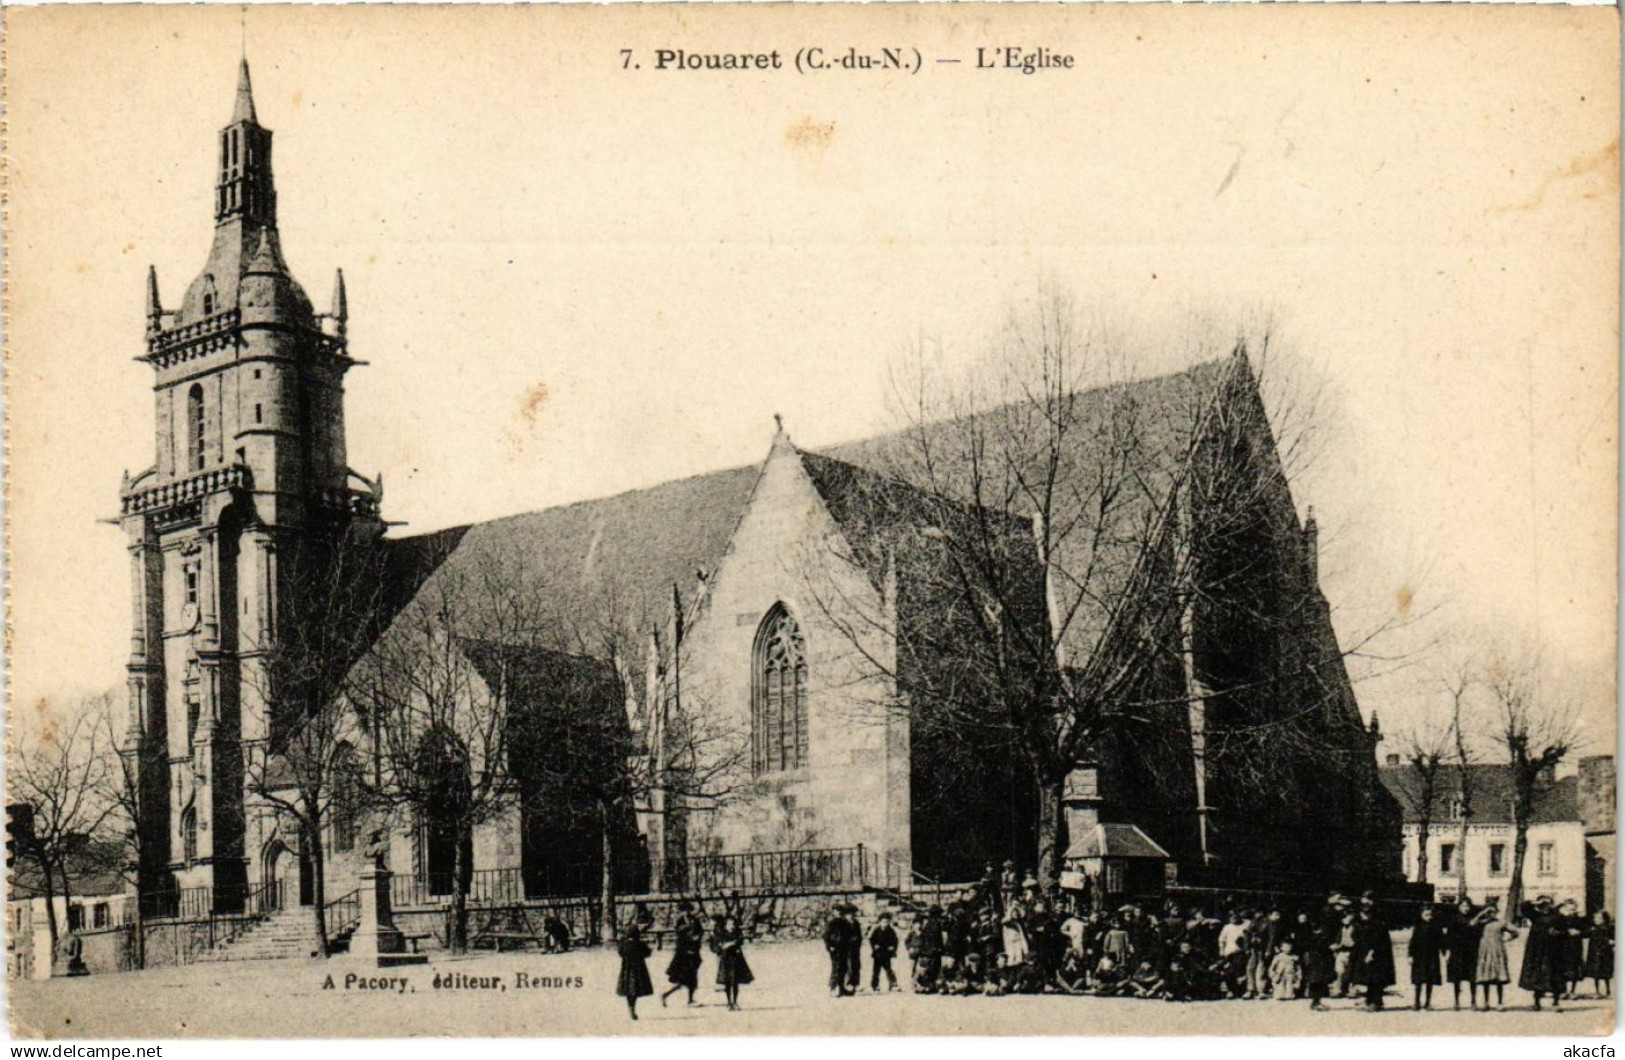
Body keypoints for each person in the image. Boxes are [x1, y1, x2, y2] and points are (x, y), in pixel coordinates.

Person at [1520, 896, 1573, 1011]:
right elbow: (1523, 907)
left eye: (1546, 904)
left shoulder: (1558, 917)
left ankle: (1556, 1002)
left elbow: (1566, 933)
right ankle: (1536, 1003)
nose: (1544, 906)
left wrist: (1557, 933)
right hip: (1538, 952)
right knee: (1537, 977)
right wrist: (1535, 901)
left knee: (1556, 977)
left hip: (1554, 951)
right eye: (1542, 904)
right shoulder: (1535, 916)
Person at [1350, 904, 1395, 1011]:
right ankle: (1371, 1001)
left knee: (1376, 979)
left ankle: (1376, 1002)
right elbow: (1356, 937)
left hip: (1378, 955)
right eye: (1362, 913)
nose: (1363, 916)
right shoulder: (1360, 924)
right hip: (1364, 954)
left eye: (1366, 914)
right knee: (1369, 978)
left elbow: (1378, 940)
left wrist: (1371, 953)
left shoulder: (1377, 924)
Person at [1473, 900, 1516, 1009]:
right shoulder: (1482, 923)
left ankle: (1500, 1002)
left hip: (1497, 951)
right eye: (1489, 912)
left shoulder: (1501, 922)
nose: (1491, 914)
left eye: (1493, 912)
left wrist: (1507, 939)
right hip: (1485, 952)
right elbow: (1472, 923)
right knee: (1486, 978)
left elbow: (1515, 931)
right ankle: (1486, 1002)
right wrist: (1481, 914)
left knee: (1499, 978)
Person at [661, 901, 705, 1008]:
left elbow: (700, 931)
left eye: (689, 910)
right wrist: (688, 941)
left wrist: (698, 938)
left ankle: (690, 1000)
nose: (687, 912)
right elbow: (679, 937)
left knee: (692, 978)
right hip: (683, 955)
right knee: (683, 979)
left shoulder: (695, 920)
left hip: (694, 953)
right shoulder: (680, 921)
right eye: (685, 910)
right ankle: (666, 994)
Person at [1444, 898, 1480, 1010]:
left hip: (1471, 952)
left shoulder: (1474, 919)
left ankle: (1473, 1001)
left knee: (1472, 977)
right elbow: (1449, 936)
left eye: (1468, 906)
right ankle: (1456, 1001)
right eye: (1463, 906)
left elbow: (1478, 936)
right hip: (1457, 951)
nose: (1466, 908)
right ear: (1459, 907)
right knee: (1457, 978)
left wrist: (1475, 926)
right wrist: (1447, 951)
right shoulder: (1453, 919)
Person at [712, 915, 753, 1011]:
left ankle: (735, 1001)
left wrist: (729, 944)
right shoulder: (721, 933)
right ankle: (728, 1002)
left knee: (735, 982)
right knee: (727, 982)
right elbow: (719, 946)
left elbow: (739, 941)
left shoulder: (737, 932)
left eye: (733, 924)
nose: (732, 926)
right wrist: (730, 944)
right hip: (726, 959)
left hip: (736, 959)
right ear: (725, 925)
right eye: (730, 924)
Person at [1409, 905, 1445, 1010]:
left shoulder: (1436, 927)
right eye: (1426, 915)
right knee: (1418, 981)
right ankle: (1416, 1002)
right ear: (1421, 915)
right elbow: (1413, 943)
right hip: (1419, 957)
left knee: (1430, 980)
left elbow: (1441, 941)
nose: (1429, 917)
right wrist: (1410, 955)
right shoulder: (1418, 927)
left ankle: (1428, 1003)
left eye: (1430, 915)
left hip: (1432, 957)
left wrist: (1445, 953)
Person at [616, 925, 654, 1020]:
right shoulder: (640, 944)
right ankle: (633, 1007)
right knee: (636, 989)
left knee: (628, 990)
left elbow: (620, 953)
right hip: (638, 968)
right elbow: (647, 953)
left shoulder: (624, 944)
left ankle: (630, 1006)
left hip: (626, 969)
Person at [823, 906, 857, 997]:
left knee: (844, 967)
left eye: (840, 911)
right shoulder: (831, 923)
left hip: (844, 948)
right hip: (834, 948)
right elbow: (826, 936)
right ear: (833, 912)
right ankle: (833, 988)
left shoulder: (845, 923)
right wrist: (830, 946)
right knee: (836, 967)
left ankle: (842, 988)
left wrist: (851, 942)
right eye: (836, 911)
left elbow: (850, 934)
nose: (838, 913)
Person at [1585, 910, 1615, 998]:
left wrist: (1612, 941)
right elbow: (1586, 934)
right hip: (1595, 953)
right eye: (1596, 918)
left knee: (1606, 972)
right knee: (1596, 972)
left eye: (1600, 918)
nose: (1597, 920)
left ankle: (1608, 990)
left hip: (1606, 953)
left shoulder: (1609, 928)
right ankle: (1597, 991)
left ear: (1605, 919)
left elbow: (1613, 938)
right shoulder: (1593, 929)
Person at [869, 911, 900, 992]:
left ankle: (893, 984)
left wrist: (892, 947)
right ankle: (875, 985)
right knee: (876, 970)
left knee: (888, 969)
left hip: (886, 954)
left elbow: (895, 940)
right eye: (883, 922)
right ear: (880, 922)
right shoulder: (876, 930)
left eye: (887, 922)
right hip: (878, 954)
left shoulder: (891, 931)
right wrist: (874, 946)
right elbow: (872, 939)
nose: (885, 924)